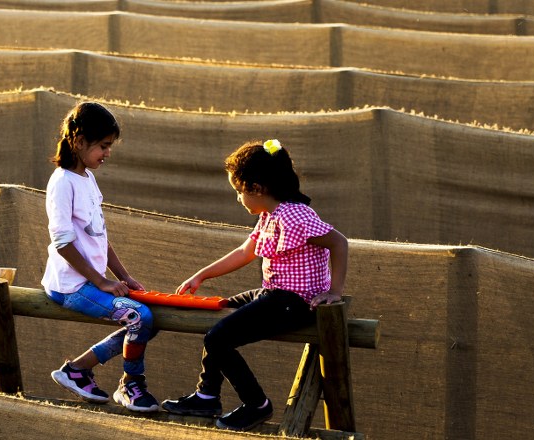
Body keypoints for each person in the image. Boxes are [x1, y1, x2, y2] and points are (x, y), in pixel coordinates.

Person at [161, 139, 348, 431]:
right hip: (273, 294)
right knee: (220, 312)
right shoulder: (268, 215)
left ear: (257, 188)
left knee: (218, 338)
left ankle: (256, 404)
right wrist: (202, 275)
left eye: (239, 192)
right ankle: (207, 395)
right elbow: (244, 253)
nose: (238, 198)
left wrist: (334, 292)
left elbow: (339, 242)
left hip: (294, 301)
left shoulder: (295, 215)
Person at [42, 101, 160, 412]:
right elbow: (62, 243)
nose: (107, 153)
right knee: (139, 316)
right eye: (103, 146)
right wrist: (102, 281)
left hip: (92, 282)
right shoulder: (62, 183)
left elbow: (99, 236)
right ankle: (132, 385)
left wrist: (123, 276)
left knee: (150, 317)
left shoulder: (88, 178)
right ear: (79, 142)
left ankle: (78, 369)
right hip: (71, 286)